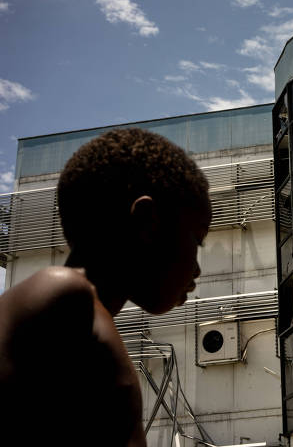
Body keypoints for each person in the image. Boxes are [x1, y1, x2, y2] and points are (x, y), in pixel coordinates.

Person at [0, 128, 211, 446]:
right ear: (147, 222)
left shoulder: (76, 313)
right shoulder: (65, 300)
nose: (197, 268)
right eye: (196, 240)